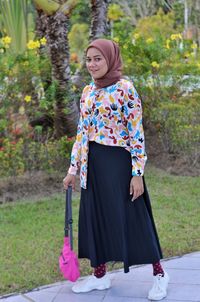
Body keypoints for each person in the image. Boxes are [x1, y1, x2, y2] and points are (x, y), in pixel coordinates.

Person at [63, 38, 169, 301]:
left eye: (98, 58)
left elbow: (136, 133)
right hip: (92, 165)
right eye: (88, 59)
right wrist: (72, 169)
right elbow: (81, 133)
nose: (92, 64)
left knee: (134, 218)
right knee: (96, 217)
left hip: (120, 165)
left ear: (110, 59)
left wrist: (137, 173)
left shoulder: (125, 89)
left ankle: (160, 274)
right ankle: (100, 276)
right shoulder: (87, 91)